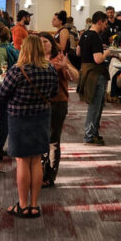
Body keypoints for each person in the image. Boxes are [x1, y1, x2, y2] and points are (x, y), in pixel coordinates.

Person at [0, 35, 58, 218]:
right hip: (42, 117)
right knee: (36, 160)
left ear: (24, 50)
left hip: (19, 118)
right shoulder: (50, 69)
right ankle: (34, 205)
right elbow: (54, 92)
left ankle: (23, 205)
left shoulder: (17, 70)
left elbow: (1, 94)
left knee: (22, 161)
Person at [39, 32, 78, 186]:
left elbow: (75, 76)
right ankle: (40, 172)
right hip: (39, 103)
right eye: (39, 42)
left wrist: (65, 66)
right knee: (41, 139)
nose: (42, 45)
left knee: (53, 140)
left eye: (45, 42)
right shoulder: (35, 60)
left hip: (58, 103)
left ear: (52, 43)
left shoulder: (59, 58)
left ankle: (50, 175)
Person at [78, 11, 110, 145]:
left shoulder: (84, 33)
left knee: (94, 105)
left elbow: (78, 52)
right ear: (99, 22)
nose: (106, 26)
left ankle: (92, 133)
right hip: (95, 74)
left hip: (86, 71)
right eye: (105, 23)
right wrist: (107, 53)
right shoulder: (96, 36)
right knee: (95, 106)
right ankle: (90, 135)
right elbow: (98, 59)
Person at [0, 23, 19, 163]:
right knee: (10, 119)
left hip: (3, 88)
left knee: (2, 120)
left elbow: (1, 72)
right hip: (15, 88)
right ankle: (11, 146)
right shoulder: (12, 47)